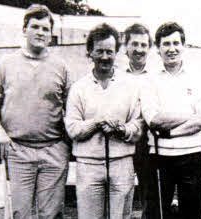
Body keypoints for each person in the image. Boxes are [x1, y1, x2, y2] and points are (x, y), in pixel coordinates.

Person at [0, 4, 71, 218]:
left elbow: (72, 107)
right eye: (35, 27)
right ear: (24, 29)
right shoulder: (6, 65)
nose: (40, 33)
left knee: (51, 214)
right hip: (18, 151)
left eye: (45, 29)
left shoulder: (61, 66)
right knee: (21, 213)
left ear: (51, 34)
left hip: (54, 150)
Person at [65, 23, 143, 219]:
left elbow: (138, 124)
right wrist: (97, 122)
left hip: (122, 162)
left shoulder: (130, 85)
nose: (105, 57)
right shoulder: (79, 88)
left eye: (109, 51)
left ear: (117, 52)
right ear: (90, 52)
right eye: (99, 51)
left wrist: (121, 129)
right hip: (88, 165)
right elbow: (73, 129)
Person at [140, 21, 201, 219]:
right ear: (158, 48)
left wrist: (171, 132)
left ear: (184, 45)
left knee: (191, 213)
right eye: (166, 44)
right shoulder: (149, 81)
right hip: (159, 157)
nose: (171, 49)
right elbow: (154, 120)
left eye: (176, 43)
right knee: (157, 214)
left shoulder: (198, 78)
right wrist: (191, 115)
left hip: (192, 156)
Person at [124, 23, 152, 219]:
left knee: (149, 197)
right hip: (123, 142)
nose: (139, 49)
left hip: (149, 144)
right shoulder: (116, 77)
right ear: (125, 47)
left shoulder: (155, 78)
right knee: (122, 193)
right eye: (134, 44)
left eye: (143, 45)